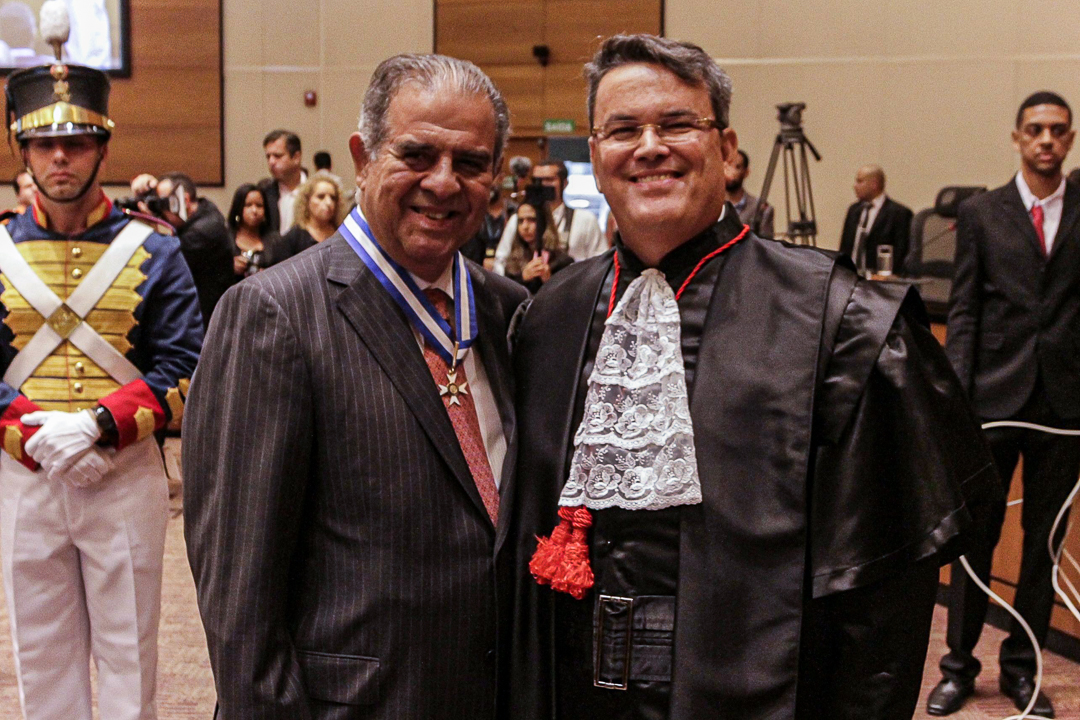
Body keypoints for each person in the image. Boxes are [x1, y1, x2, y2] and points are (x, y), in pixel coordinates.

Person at [503, 34, 999, 720]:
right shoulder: (548, 317)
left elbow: (884, 603)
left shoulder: (841, 321)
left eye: (678, 123)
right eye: (623, 130)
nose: (650, 147)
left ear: (727, 148)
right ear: (596, 153)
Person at [183, 53, 527, 718]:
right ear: (362, 158)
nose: (444, 182)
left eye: (471, 162)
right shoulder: (273, 314)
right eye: (417, 154)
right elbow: (239, 601)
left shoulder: (508, 312)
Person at [0, 59, 202, 720]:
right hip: (24, 475)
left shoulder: (156, 251)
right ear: (22, 150)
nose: (60, 157)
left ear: (103, 148)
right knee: (42, 658)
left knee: (128, 654)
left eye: (77, 141)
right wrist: (36, 437)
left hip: (122, 472)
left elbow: (184, 363)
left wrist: (96, 426)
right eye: (43, 142)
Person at [927, 91, 1080, 719]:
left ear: (1070, 139)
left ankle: (1023, 669)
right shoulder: (982, 213)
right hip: (992, 399)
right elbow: (964, 310)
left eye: (1058, 130)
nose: (1046, 140)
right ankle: (958, 667)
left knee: (1043, 545)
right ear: (1017, 137)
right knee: (975, 540)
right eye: (1035, 129)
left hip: (1065, 405)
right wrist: (957, 403)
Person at [130, 171, 234, 331]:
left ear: (184, 200)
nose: (161, 211)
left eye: (164, 203)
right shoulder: (205, 208)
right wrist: (149, 191)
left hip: (205, 327)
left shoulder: (203, 232)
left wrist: (151, 225)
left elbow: (159, 263)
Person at [494, 160, 605, 272]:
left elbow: (601, 262)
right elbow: (500, 261)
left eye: (549, 180)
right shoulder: (519, 219)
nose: (542, 185)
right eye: (537, 181)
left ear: (565, 183)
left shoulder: (585, 220)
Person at [838, 164, 914, 275]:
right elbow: (844, 247)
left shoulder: (899, 214)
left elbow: (901, 253)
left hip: (880, 279)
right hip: (850, 276)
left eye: (860, 181)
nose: (855, 186)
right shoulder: (853, 210)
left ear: (874, 184)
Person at [502, 198, 573, 292]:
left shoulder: (562, 261)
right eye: (521, 221)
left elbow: (568, 295)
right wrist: (523, 278)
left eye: (532, 220)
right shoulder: (513, 261)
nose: (525, 227)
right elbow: (506, 293)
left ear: (544, 221)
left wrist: (549, 281)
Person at [280, 170, 348, 257]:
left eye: (333, 198)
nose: (329, 202)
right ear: (307, 201)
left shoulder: (342, 234)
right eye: (321, 197)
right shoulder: (294, 237)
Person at [227, 182, 288, 277]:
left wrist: (269, 275)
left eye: (259, 205)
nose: (254, 211)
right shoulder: (225, 239)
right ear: (238, 208)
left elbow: (286, 273)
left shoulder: (276, 241)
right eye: (248, 205)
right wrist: (229, 267)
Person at [260, 129, 306, 232]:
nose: (271, 162)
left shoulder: (316, 192)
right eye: (268, 157)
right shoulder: (264, 192)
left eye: (277, 156)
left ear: (296, 157)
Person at [725, 149, 773, 237]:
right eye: (727, 167)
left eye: (737, 167)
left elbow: (766, 242)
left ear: (746, 172)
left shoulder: (760, 208)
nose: (731, 172)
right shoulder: (712, 207)